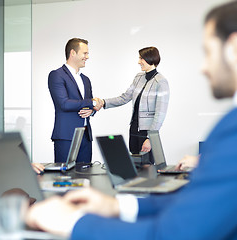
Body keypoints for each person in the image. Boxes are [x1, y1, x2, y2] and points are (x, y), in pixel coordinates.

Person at [26, 1, 237, 239]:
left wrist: (76, 224)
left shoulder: (227, 126)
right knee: (132, 176)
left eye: (208, 51)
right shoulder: (137, 79)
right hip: (128, 129)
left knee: (144, 171)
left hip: (145, 133)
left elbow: (174, 231)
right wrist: (118, 206)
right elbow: (192, 199)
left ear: (232, 46)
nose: (203, 67)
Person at [101, 47, 169, 163]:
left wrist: (150, 138)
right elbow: (124, 97)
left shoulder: (161, 82)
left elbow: (160, 114)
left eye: (141, 58)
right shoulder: (138, 78)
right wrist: (103, 102)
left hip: (146, 133)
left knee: (147, 169)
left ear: (150, 58)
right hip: (134, 129)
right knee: (135, 166)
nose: (139, 62)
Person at [48, 38, 101, 165]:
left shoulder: (86, 79)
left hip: (85, 137)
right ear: (73, 53)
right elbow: (64, 104)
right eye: (85, 53)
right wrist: (92, 102)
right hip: (66, 136)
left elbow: (90, 106)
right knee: (65, 177)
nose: (87, 57)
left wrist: (92, 111)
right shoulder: (56, 75)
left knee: (86, 175)